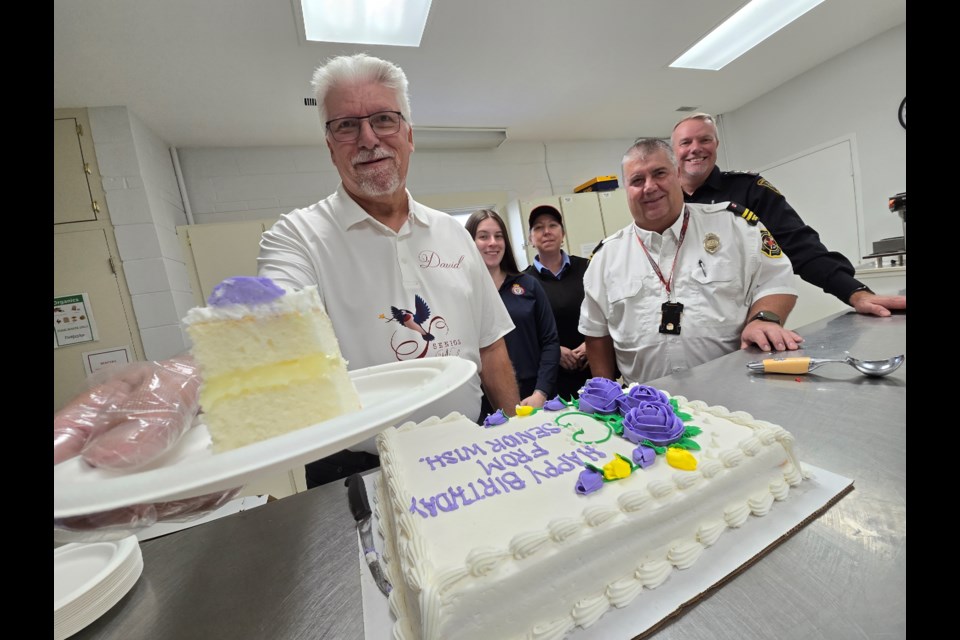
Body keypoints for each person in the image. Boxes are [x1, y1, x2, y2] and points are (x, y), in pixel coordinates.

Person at [257, 54, 520, 487]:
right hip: (357, 470)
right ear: (329, 144)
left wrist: (514, 433)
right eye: (346, 125)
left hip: (472, 446)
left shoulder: (454, 234)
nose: (367, 138)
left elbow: (490, 347)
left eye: (383, 119)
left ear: (409, 135)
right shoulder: (298, 237)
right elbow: (268, 322)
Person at [579, 138, 803, 384]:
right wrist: (605, 394)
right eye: (637, 180)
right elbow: (596, 334)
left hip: (735, 393)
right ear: (626, 189)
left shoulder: (733, 226)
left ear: (677, 175)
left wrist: (763, 319)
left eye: (659, 173)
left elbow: (776, 282)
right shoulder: (605, 258)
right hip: (648, 408)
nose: (649, 187)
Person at [671, 113, 906, 317]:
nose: (695, 148)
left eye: (705, 140)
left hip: (741, 321)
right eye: (685, 142)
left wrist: (854, 292)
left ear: (716, 144)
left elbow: (801, 247)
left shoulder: (749, 189)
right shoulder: (661, 200)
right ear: (674, 151)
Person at [465, 209, 560, 413]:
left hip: (532, 394)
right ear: (469, 242)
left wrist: (540, 392)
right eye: (483, 236)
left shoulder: (528, 285)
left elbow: (550, 342)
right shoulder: (462, 293)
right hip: (483, 399)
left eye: (498, 236)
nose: (493, 242)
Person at [521, 204, 592, 400]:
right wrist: (553, 351)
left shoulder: (587, 268)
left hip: (592, 368)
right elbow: (524, 333)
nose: (546, 232)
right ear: (530, 239)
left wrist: (592, 343)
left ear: (563, 234)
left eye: (553, 225)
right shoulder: (523, 282)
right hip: (551, 378)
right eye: (538, 227)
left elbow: (607, 312)